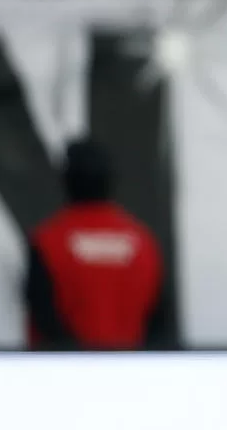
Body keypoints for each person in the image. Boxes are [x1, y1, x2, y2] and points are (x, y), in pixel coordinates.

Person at [25, 139, 167, 351]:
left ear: (66, 180)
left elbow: (44, 318)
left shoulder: (48, 241)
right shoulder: (142, 242)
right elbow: (159, 320)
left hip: (63, 375)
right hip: (129, 373)